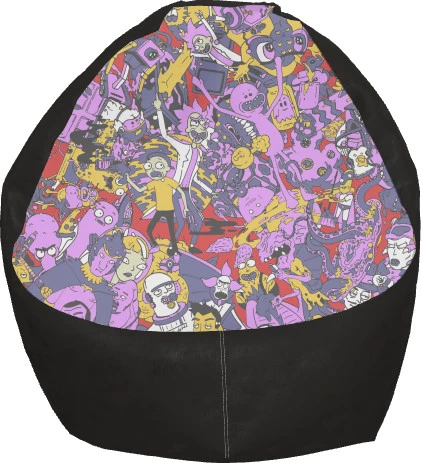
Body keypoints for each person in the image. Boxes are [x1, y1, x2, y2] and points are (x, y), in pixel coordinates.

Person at [126, 154, 188, 256]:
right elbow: (140, 190)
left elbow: (182, 192)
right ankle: (154, 244)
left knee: (172, 232)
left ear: (167, 168)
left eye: (159, 165)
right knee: (149, 229)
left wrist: (185, 207)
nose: (154, 170)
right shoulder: (154, 183)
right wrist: (129, 180)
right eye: (149, 166)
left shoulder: (169, 181)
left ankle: (174, 249)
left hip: (169, 210)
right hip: (159, 210)